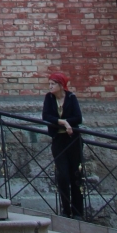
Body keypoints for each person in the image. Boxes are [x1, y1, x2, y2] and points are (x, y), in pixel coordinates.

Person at [43, 70, 84, 218]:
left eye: (53, 84)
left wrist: (68, 123)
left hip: (73, 140)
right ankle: (66, 210)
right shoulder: (49, 98)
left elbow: (78, 117)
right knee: (63, 175)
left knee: (76, 175)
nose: (50, 87)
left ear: (61, 85)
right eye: (49, 84)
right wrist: (64, 122)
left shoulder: (71, 97)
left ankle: (78, 211)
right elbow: (46, 116)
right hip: (58, 140)